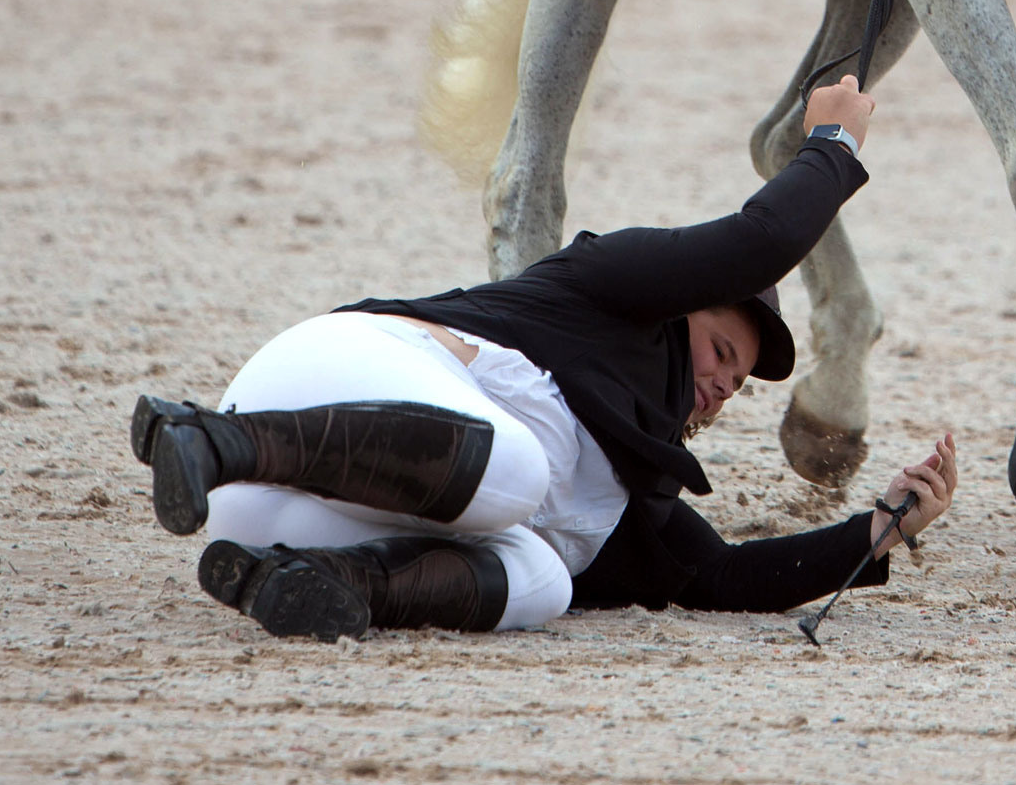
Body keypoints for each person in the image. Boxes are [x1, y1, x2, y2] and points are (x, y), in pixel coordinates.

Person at [131, 76, 959, 639]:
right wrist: (831, 143)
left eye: (735, 385)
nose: (719, 386)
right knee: (519, 472)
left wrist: (882, 526)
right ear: (683, 303)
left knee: (543, 580)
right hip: (319, 380)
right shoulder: (610, 284)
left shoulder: (625, 489)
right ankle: (204, 439)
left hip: (269, 524)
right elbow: (763, 241)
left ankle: (326, 585)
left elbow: (724, 580)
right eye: (720, 351)